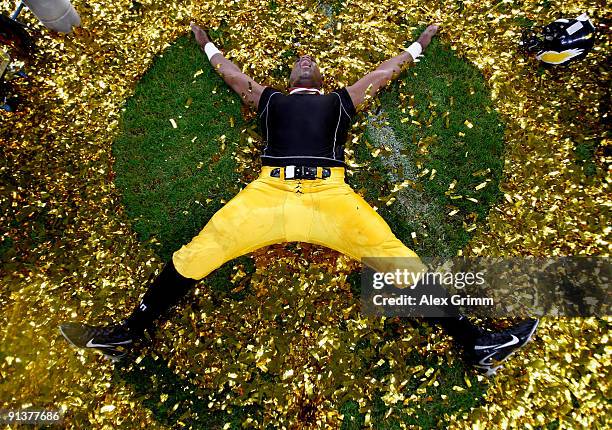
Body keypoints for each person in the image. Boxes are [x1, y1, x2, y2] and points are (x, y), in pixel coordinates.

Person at [59, 22, 538, 376]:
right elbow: (232, 76)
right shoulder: (270, 100)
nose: (305, 61)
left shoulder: (339, 102)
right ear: (289, 76)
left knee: (402, 262)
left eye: (312, 61)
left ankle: (476, 343)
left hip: (331, 197)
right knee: (198, 251)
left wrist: (418, 46)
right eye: (298, 61)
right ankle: (128, 331)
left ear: (321, 76)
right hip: (269, 193)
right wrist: (207, 46)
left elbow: (383, 72)